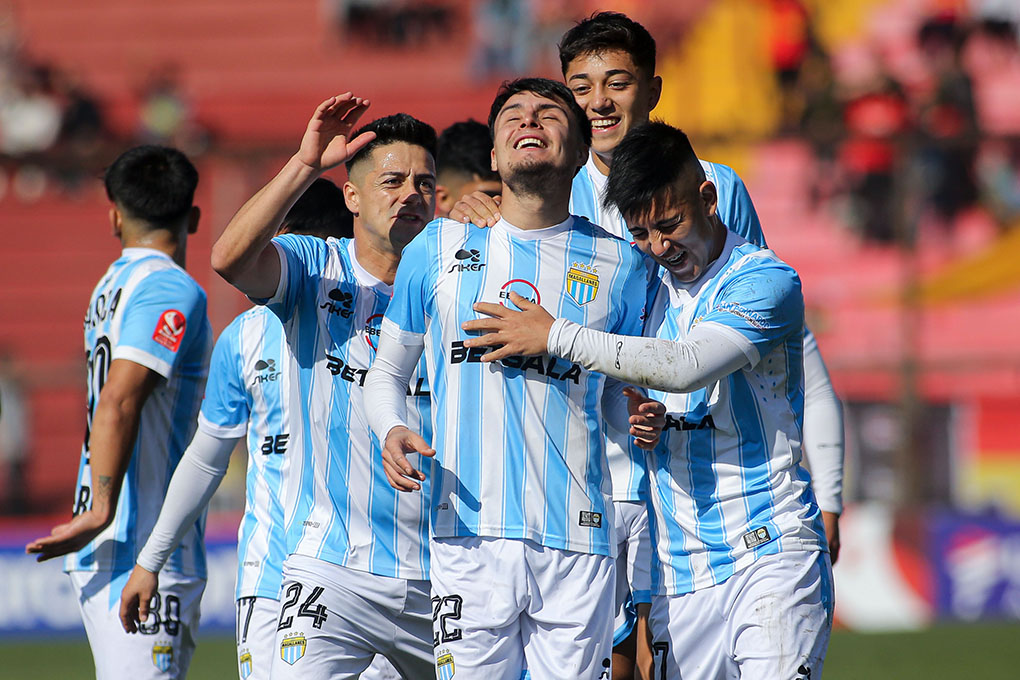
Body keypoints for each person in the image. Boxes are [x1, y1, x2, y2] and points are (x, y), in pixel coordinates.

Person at [453, 14, 845, 675]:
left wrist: (827, 488)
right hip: (587, 487)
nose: (599, 102)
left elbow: (770, 344)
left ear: (653, 90)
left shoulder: (717, 195)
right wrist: (468, 205)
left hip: (709, 504)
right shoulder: (541, 191)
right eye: (580, 86)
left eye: (618, 82)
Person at [364, 77, 665, 680]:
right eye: (513, 116)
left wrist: (641, 411)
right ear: (496, 156)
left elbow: (623, 394)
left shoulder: (627, 266)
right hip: (465, 532)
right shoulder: (439, 247)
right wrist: (393, 428)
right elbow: (386, 375)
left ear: (580, 154)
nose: (530, 121)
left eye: (550, 114)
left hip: (579, 537)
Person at [117, 178, 395, 680]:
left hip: (375, 572)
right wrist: (151, 559)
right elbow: (206, 458)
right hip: (272, 580)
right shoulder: (243, 338)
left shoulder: (391, 321)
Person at [209, 94, 436, 679]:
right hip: (331, 571)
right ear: (352, 197)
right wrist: (306, 165)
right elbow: (230, 259)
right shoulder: (315, 267)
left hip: (444, 573)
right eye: (392, 180)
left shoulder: (460, 276)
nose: (410, 193)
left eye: (423, 182)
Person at [26, 145, 211, 680]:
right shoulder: (171, 288)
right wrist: (103, 507)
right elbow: (120, 399)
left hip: (114, 542)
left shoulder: (110, 286)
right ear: (192, 217)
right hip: (141, 541)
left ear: (115, 216)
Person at [434, 120, 502, 218]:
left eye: (505, 197)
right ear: (444, 198)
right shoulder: (414, 232)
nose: (497, 203)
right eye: (487, 196)